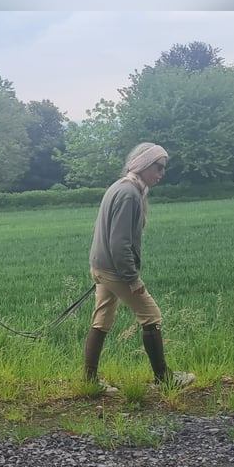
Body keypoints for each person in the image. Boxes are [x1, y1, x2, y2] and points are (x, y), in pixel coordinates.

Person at [84, 142, 195, 393]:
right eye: (158, 167)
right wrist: (132, 278)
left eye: (163, 168)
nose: (161, 173)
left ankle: (89, 381)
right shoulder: (129, 193)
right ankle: (165, 379)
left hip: (102, 266)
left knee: (101, 320)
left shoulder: (120, 187)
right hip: (115, 269)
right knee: (151, 316)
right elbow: (120, 242)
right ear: (144, 165)